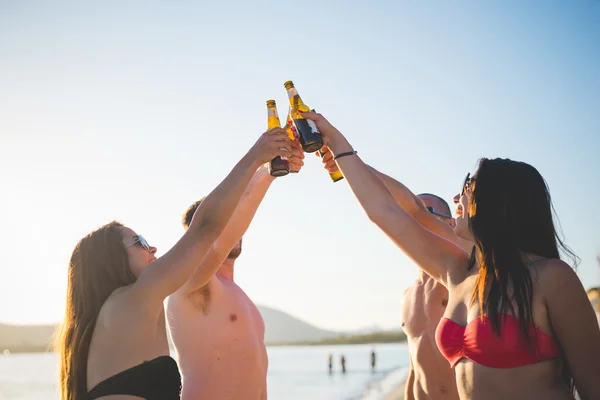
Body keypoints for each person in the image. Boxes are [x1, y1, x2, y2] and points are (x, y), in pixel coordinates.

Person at [302, 110, 600, 400]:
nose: (459, 196)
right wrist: (337, 145)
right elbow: (384, 211)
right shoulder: (456, 272)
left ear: (497, 202)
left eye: (468, 186)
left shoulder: (551, 277)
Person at [56, 128, 293, 400]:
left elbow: (220, 240)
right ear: (111, 260)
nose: (153, 247)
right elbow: (206, 231)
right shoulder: (130, 300)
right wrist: (256, 157)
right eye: (139, 242)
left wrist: (267, 173)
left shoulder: (116, 319)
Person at [318, 155, 469, 400]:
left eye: (431, 214)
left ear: (451, 223)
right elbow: (415, 366)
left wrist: (350, 163)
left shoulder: (459, 275)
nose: (416, 222)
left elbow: (412, 208)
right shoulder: (408, 295)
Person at [165, 141, 304, 399]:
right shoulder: (190, 285)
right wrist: (266, 172)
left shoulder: (238, 294)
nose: (234, 226)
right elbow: (218, 241)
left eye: (235, 217)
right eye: (224, 221)